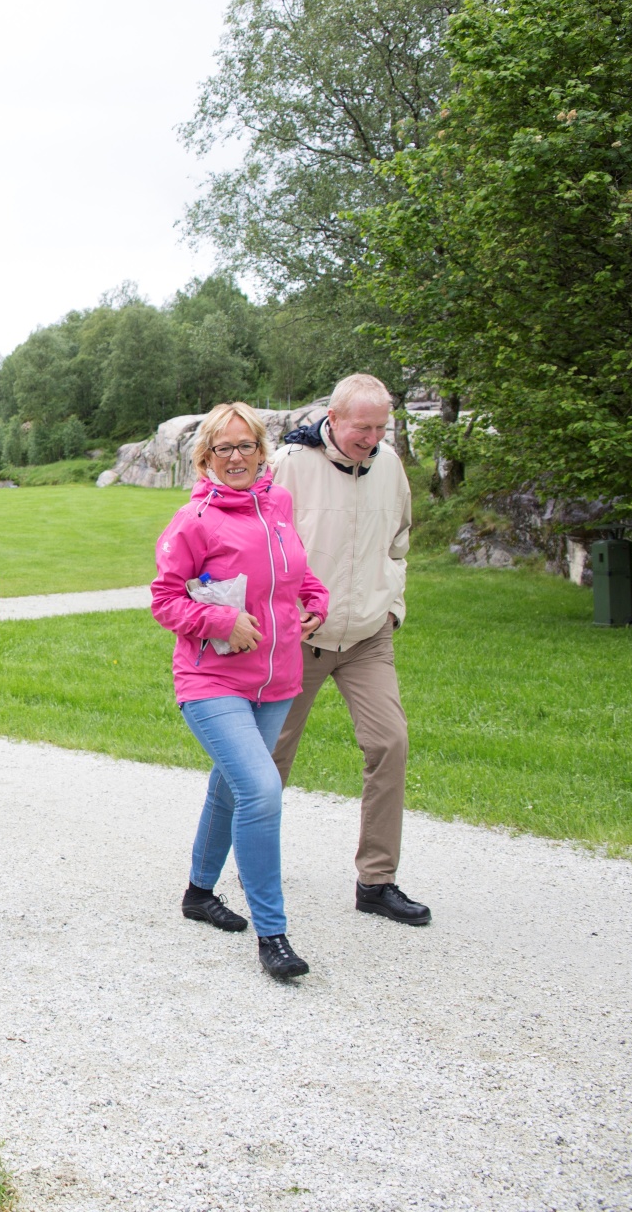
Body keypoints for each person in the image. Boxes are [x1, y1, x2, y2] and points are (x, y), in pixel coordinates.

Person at [150, 401, 329, 980]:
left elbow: (294, 572)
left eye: (245, 445)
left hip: (277, 679)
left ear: (261, 450)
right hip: (211, 680)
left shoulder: (279, 504)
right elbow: (165, 600)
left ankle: (199, 894)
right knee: (261, 789)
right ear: (206, 457)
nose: (235, 457)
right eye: (222, 448)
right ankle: (272, 935)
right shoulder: (193, 520)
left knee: (231, 788)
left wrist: (316, 600)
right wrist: (222, 621)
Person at [268, 373, 431, 926]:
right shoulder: (291, 465)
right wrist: (283, 612)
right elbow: (262, 547)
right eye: (363, 427)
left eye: (381, 428)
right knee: (270, 758)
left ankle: (376, 882)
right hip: (300, 639)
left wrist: (391, 608)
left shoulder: (390, 467)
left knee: (390, 743)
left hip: (367, 637)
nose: (372, 438)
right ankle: (252, 860)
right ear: (333, 419)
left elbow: (398, 544)